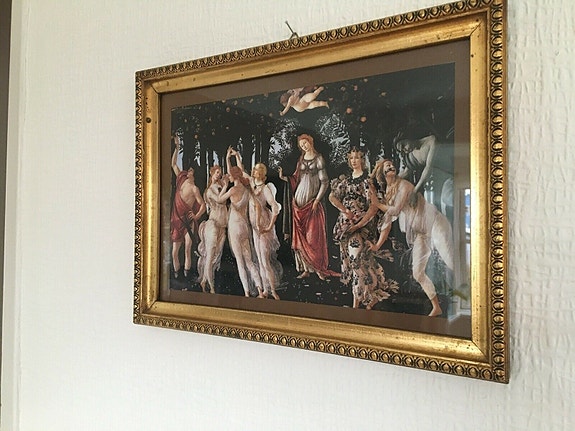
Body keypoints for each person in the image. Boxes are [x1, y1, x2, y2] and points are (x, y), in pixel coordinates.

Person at [368, 159, 454, 317]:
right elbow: (387, 222)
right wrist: (377, 246)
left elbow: (395, 210)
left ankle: (471, 291)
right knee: (418, 273)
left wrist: (377, 204)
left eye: (392, 164)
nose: (391, 166)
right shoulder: (389, 193)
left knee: (450, 260)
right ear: (382, 173)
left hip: (435, 224)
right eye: (387, 166)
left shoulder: (404, 185)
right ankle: (436, 307)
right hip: (421, 232)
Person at [329, 148, 398, 309]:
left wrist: (359, 225)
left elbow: (373, 207)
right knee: (356, 264)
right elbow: (332, 197)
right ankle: (361, 300)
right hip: (345, 227)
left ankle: (361, 301)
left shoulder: (367, 182)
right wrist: (344, 210)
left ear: (362, 160)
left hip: (362, 226)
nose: (354, 161)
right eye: (351, 158)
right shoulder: (346, 182)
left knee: (356, 261)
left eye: (357, 158)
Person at [279, 134, 339, 281]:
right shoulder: (301, 159)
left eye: (305, 143)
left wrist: (317, 200)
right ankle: (305, 269)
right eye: (301, 145)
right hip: (298, 203)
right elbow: (296, 179)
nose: (304, 146)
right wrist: (284, 178)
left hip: (312, 203)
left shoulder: (318, 158)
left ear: (310, 142)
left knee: (313, 238)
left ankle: (318, 269)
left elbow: (325, 182)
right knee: (300, 237)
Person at [218, 147, 263, 297]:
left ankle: (247, 292)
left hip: (234, 227)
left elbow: (219, 200)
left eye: (229, 175)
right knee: (249, 261)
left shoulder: (232, 190)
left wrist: (225, 185)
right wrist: (232, 157)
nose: (228, 176)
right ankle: (260, 289)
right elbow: (239, 170)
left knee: (240, 261)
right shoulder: (246, 190)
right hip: (244, 227)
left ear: (232, 176)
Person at [170, 137, 206, 280]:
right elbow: (173, 164)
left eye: (190, 170)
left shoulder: (194, 189)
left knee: (187, 250)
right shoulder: (181, 179)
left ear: (194, 174)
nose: (187, 171)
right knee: (174, 252)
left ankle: (186, 275)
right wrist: (177, 147)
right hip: (176, 220)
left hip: (187, 221)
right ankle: (177, 276)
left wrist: (196, 216)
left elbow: (203, 205)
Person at [196, 165, 228, 293]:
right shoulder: (209, 190)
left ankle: (204, 281)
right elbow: (219, 200)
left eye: (220, 173)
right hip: (213, 225)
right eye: (217, 172)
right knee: (209, 257)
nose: (219, 174)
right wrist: (226, 186)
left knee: (214, 257)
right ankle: (212, 287)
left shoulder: (220, 186)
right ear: (212, 173)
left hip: (222, 227)